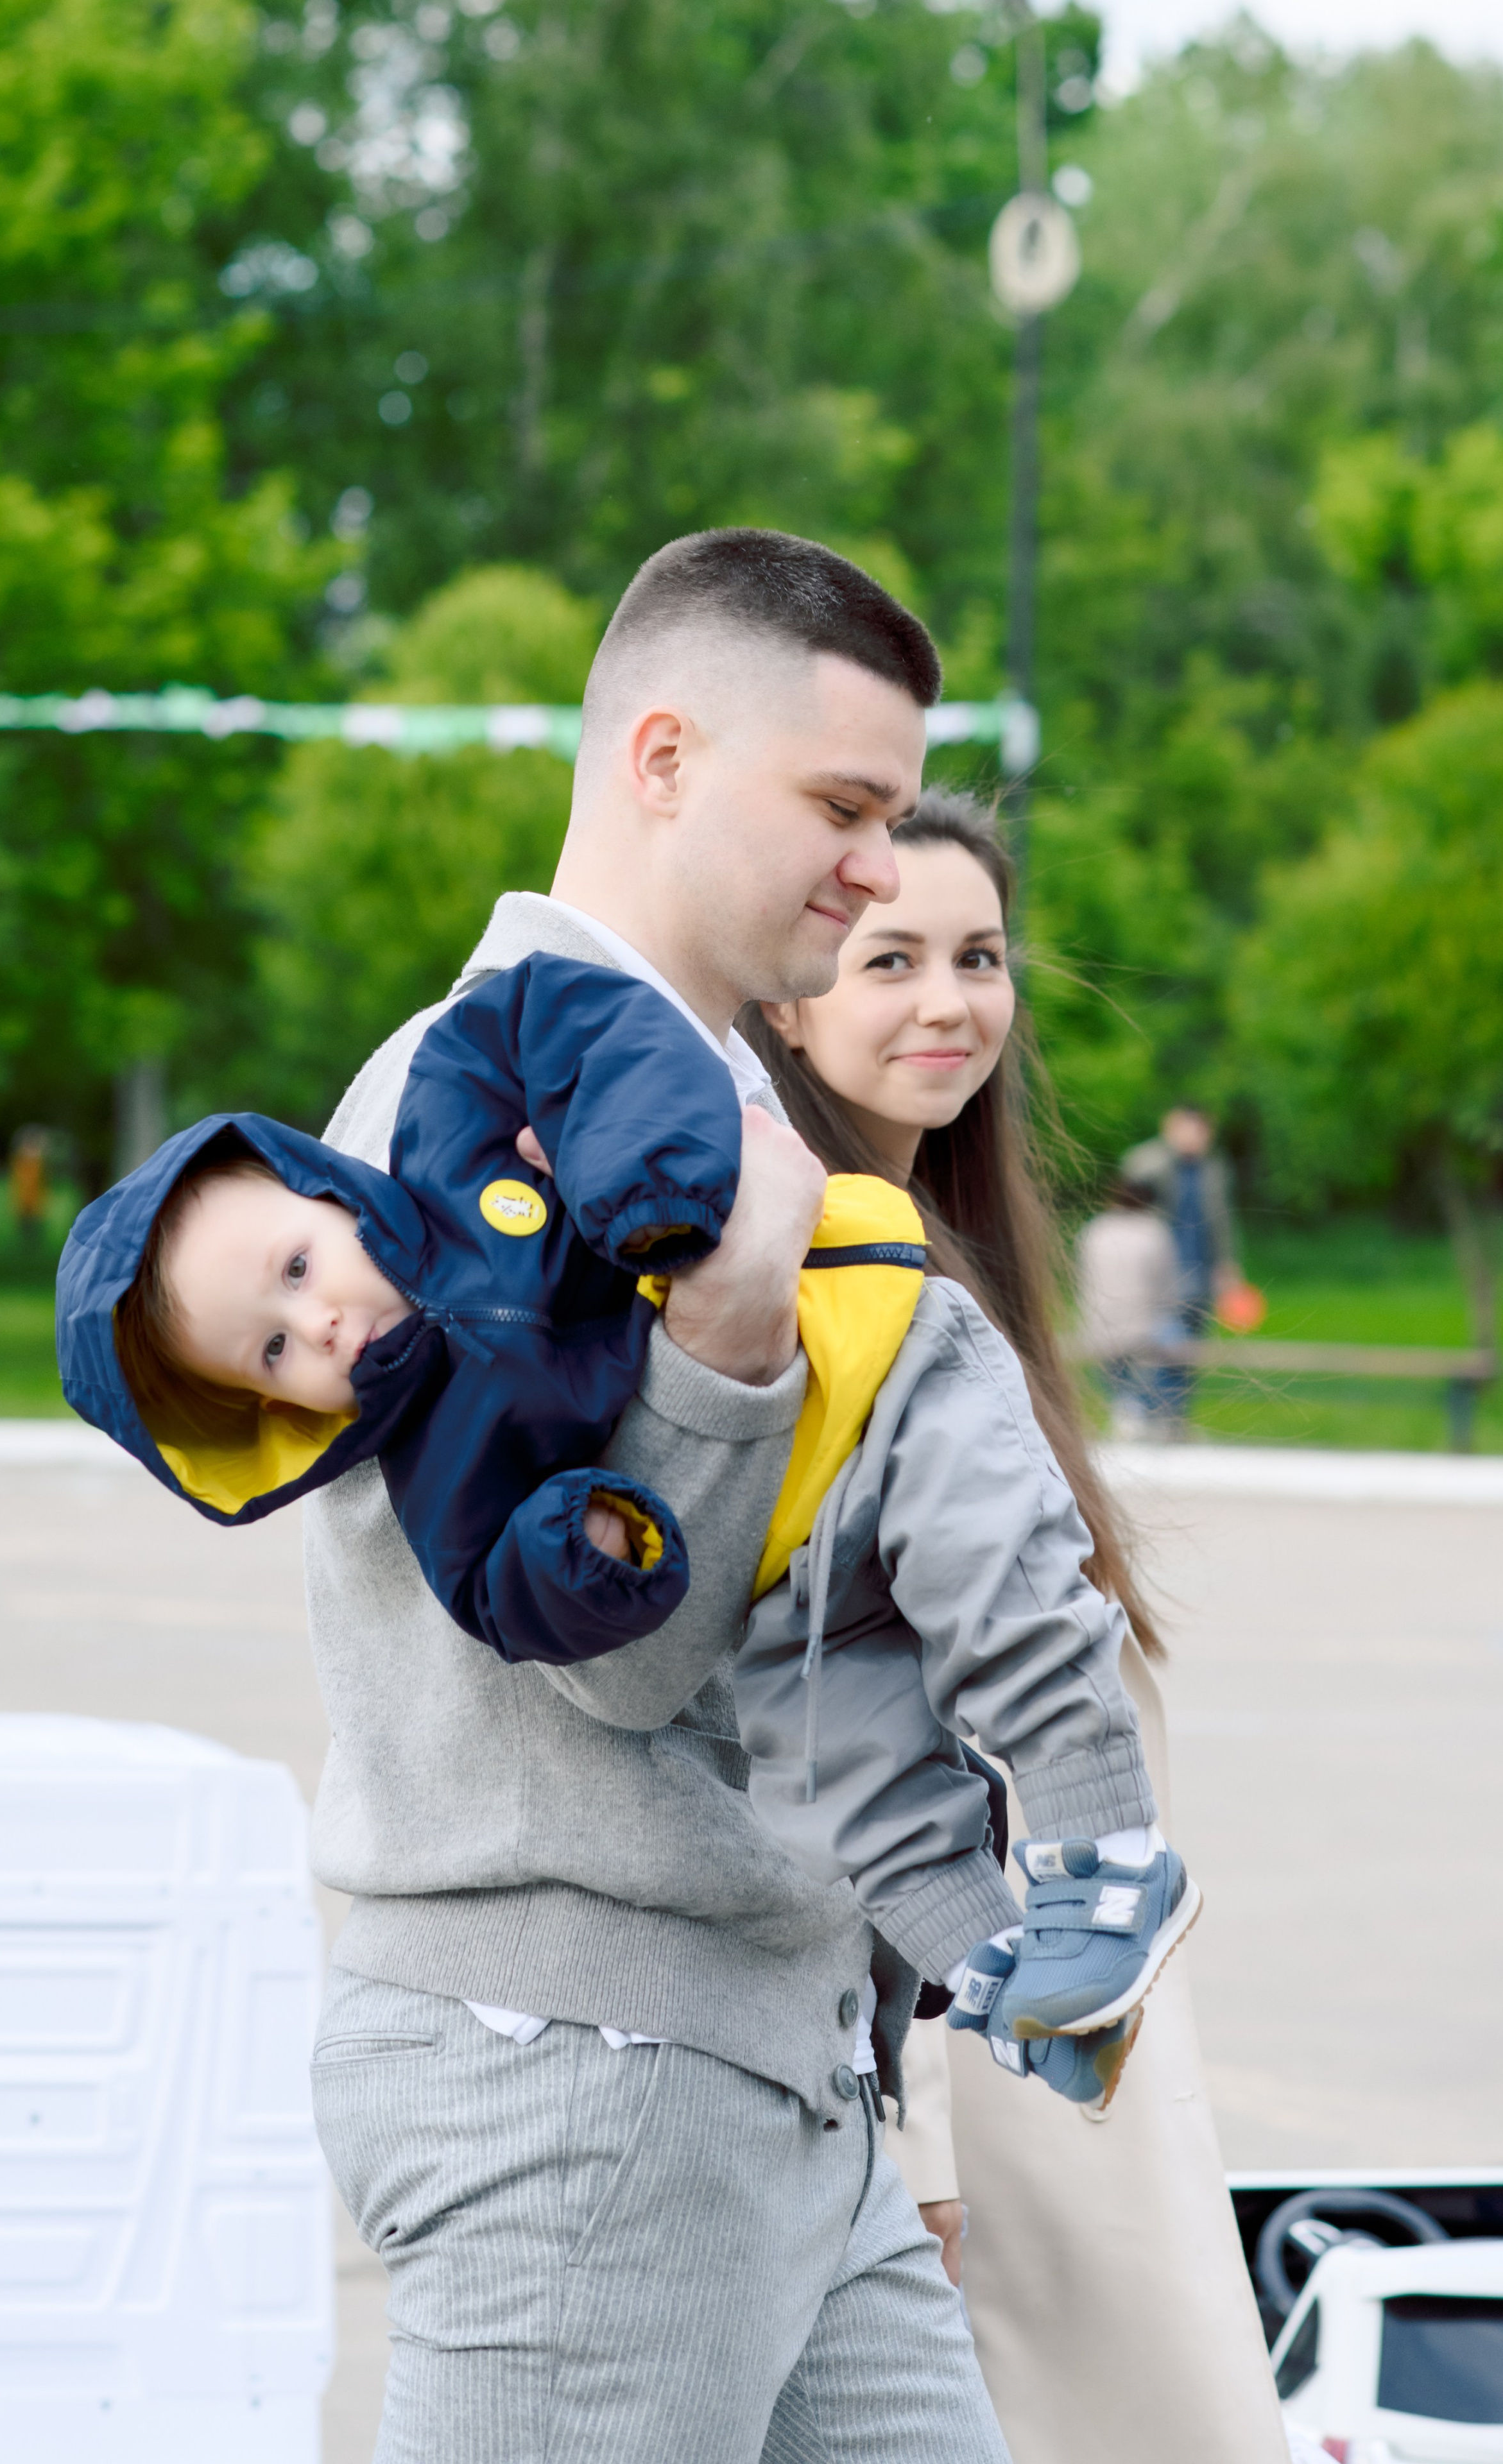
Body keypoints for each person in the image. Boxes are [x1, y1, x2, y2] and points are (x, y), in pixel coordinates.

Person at [291, 530, 1015, 2462]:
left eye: (893, 813)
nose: (881, 866)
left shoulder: (720, 1104)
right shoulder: (464, 1108)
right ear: (665, 758)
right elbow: (600, 1655)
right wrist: (729, 1336)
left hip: (778, 2059)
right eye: (841, 807)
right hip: (582, 2069)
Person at [58, 896, 1187, 2057]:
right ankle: (1009, 1976)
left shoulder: (448, 1114)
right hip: (784, 1538)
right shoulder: (434, 1460)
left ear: (328, 1190)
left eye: (298, 1268)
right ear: (274, 1410)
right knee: (828, 1751)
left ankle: (1109, 1853)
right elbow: (496, 1592)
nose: (321, 1323)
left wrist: (645, 1172)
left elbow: (565, 1018)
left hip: (874, 1351)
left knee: (994, 1584)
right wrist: (584, 1547)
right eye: (273, 1349)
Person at [739, 786, 1291, 2464]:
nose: (948, 1002)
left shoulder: (948, 1261)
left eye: (978, 957)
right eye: (887, 957)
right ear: (787, 999)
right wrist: (920, 2153)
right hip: (952, 2066)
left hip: (1056, 2049)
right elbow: (809, 1719)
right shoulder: (796, 1286)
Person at [1074, 1174, 1183, 1438]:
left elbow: (1082, 1279)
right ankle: (1159, 1415)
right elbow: (1167, 1285)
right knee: (1171, 1346)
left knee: (1116, 1367)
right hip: (1143, 1325)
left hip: (1100, 1322)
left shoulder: (1095, 1230)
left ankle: (1126, 1408)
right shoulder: (1154, 1231)